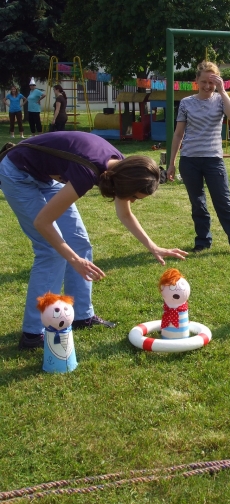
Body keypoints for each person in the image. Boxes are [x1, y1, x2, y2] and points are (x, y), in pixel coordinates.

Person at [0, 131, 188, 350]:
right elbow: (43, 222)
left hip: (46, 176)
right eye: (134, 197)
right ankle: (34, 333)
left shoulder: (120, 166)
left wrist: (152, 246)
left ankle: (81, 315)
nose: (133, 201)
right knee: (50, 251)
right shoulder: (86, 172)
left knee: (79, 243)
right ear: (126, 186)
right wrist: (74, 260)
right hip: (17, 172)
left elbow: (125, 214)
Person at [167, 61, 230, 258]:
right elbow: (178, 134)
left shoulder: (220, 100)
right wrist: (171, 163)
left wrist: (223, 91)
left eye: (212, 82)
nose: (208, 86)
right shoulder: (186, 103)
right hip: (189, 160)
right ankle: (202, 241)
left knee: (224, 202)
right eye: (204, 82)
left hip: (213, 160)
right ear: (196, 81)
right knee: (198, 204)